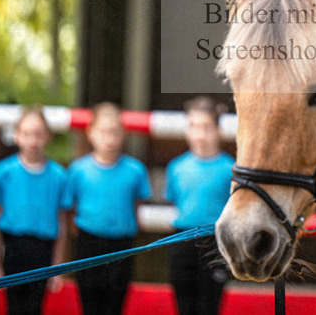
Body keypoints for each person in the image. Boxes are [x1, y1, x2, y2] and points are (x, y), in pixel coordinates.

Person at [65, 102, 151, 315]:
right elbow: (69, 208)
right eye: (103, 132)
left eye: (114, 132)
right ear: (90, 133)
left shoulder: (135, 170)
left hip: (122, 244)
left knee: (115, 304)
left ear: (123, 134)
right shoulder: (78, 170)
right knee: (89, 303)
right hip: (88, 242)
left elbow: (137, 204)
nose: (109, 138)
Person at [0, 107, 71, 315]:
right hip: (12, 248)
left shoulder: (59, 175)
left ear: (48, 137)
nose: (32, 140)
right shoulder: (3, 172)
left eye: (39, 134)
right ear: (16, 136)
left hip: (43, 250)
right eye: (26, 133)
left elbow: (62, 224)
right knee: (13, 307)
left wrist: (57, 267)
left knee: (35, 307)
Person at [165, 97, 234, 315]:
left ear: (217, 130)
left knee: (209, 307)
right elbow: (174, 200)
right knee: (184, 307)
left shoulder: (230, 168)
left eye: (206, 127)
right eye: (194, 126)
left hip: (215, 242)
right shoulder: (176, 167)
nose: (200, 134)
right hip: (182, 240)